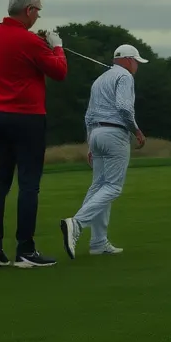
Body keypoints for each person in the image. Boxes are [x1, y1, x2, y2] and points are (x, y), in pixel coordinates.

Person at [0, 0, 68, 269]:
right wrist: (56, 46)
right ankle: (25, 251)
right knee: (28, 184)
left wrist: (38, 45)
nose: (39, 16)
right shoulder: (31, 42)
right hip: (26, 118)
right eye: (38, 11)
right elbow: (60, 71)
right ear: (29, 10)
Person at [60, 44, 148, 259]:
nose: (137, 65)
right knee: (113, 187)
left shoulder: (100, 80)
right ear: (127, 60)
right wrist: (136, 130)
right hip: (115, 133)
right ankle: (77, 223)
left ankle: (98, 242)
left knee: (99, 186)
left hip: (97, 134)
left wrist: (90, 143)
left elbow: (88, 115)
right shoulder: (125, 77)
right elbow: (124, 107)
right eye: (136, 61)